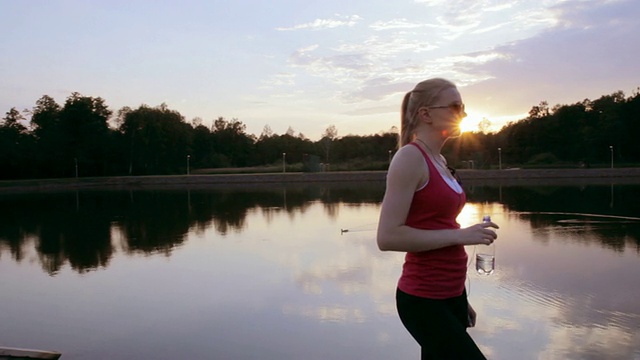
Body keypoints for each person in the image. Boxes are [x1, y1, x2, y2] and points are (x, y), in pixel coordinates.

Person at [376, 78, 498, 359]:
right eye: (455, 106)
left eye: (463, 107)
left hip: (451, 295)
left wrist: (460, 297)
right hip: (423, 299)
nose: (463, 113)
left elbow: (440, 224)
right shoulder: (410, 158)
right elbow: (388, 237)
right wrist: (461, 235)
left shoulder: (440, 161)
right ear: (426, 114)